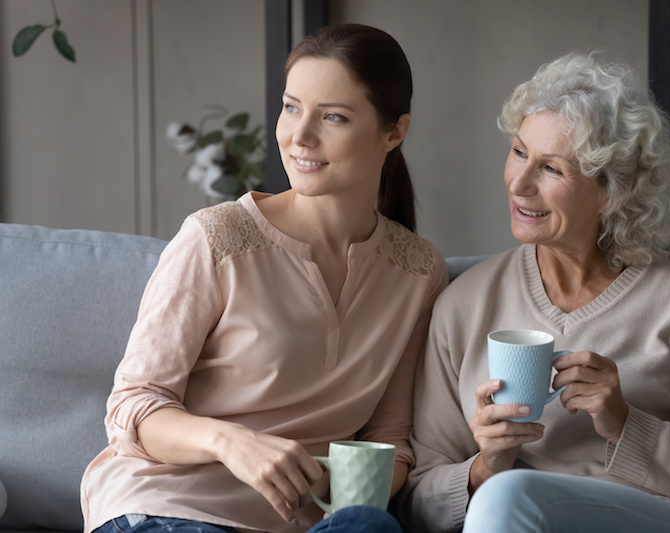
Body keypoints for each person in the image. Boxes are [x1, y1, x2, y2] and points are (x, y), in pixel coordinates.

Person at [397, 52, 670, 533]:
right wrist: (487, 465)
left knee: (512, 497)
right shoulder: (465, 304)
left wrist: (627, 426)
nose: (519, 184)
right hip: (509, 518)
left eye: (552, 169)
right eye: (520, 152)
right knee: (506, 494)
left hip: (664, 521)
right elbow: (416, 504)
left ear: (613, 191)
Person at [80, 24, 447, 533]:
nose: (299, 136)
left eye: (334, 117)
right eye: (291, 107)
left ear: (394, 132)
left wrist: (344, 502)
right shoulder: (216, 237)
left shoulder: (417, 272)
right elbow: (134, 406)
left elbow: (389, 438)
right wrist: (232, 442)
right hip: (168, 508)